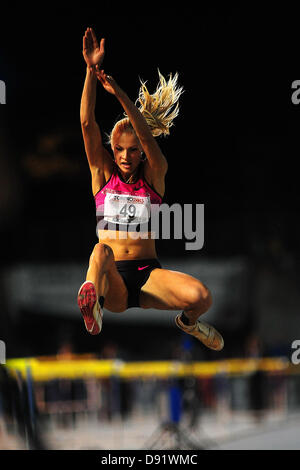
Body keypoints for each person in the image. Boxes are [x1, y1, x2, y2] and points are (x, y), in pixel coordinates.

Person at [77, 27, 224, 351]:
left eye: (132, 151)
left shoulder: (154, 175)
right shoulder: (102, 174)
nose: (126, 157)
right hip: (112, 281)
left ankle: (188, 324)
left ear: (141, 152)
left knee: (202, 296)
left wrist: (120, 96)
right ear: (112, 151)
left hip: (147, 277)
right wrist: (90, 71)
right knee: (100, 251)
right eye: (119, 150)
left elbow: (146, 137)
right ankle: (93, 303)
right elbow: (88, 124)